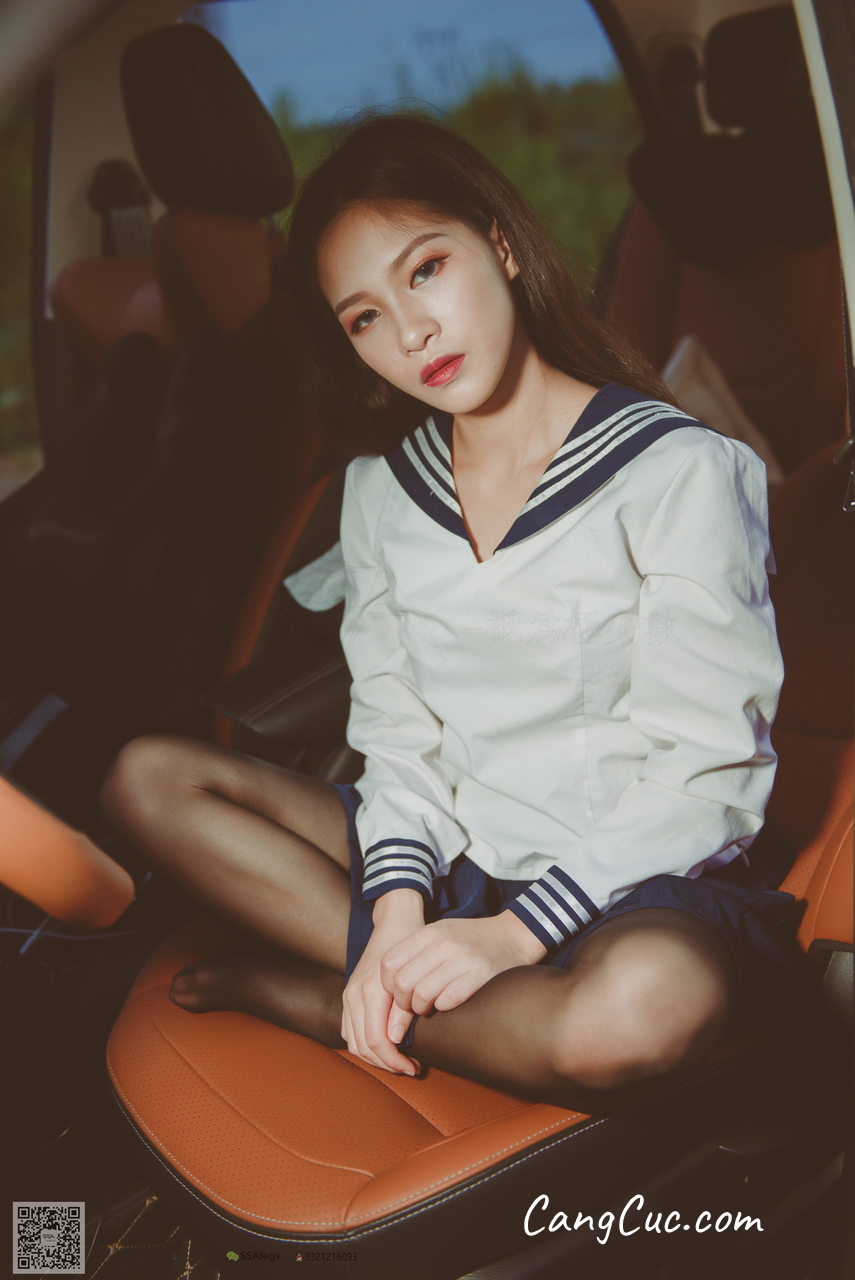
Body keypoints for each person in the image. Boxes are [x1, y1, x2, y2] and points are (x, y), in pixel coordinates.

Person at [99, 113, 806, 1113]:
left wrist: (511, 936)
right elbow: (398, 741)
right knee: (147, 778)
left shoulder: (679, 470)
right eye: (364, 318)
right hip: (448, 848)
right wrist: (395, 915)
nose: (411, 333)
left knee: (640, 1011)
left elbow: (706, 773)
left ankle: (318, 996)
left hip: (627, 873)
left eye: (425, 270)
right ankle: (389, 970)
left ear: (501, 245)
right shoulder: (379, 493)